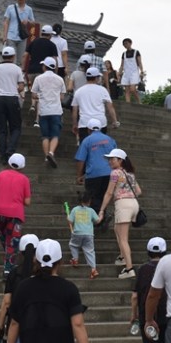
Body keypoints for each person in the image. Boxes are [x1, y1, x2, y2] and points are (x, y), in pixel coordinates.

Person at [5, 239, 93, 343]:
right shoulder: (68, 288)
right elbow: (78, 324)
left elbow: (15, 322)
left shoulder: (24, 287)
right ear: (59, 262)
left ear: (35, 261)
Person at [132, 237, 169, 343]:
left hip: (147, 317)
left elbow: (134, 296)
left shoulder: (142, 270)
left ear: (148, 252)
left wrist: (134, 315)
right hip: (167, 315)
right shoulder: (168, 267)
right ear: (164, 252)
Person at [0, 153, 32, 279]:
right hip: (14, 214)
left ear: (10, 163)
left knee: (4, 234)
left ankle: (9, 253)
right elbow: (27, 202)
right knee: (12, 241)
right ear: (22, 166)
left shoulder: (0, 175)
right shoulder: (24, 179)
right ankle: (8, 270)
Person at [0, 233, 39, 343]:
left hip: (18, 323)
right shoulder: (42, 273)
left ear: (20, 252)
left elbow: (7, 302)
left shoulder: (14, 273)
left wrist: (1, 326)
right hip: (39, 323)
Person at [97, 148, 142, 279]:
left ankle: (129, 268)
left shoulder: (115, 173)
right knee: (117, 228)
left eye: (112, 159)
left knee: (123, 239)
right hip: (134, 204)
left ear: (120, 160)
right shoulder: (130, 174)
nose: (110, 161)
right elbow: (138, 191)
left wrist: (101, 210)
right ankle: (123, 256)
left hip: (123, 205)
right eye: (109, 159)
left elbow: (109, 192)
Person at [74, 118, 118, 218]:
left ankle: (97, 220)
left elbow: (81, 159)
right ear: (101, 128)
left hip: (93, 174)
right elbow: (117, 157)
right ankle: (102, 216)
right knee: (105, 196)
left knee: (94, 198)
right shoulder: (110, 140)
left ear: (89, 129)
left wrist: (79, 176)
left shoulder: (87, 140)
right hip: (109, 174)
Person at [0, 46, 26, 163]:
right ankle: (10, 151)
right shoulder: (17, 69)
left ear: (2, 56)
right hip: (13, 99)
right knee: (16, 128)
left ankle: (3, 155)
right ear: (13, 56)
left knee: (2, 129)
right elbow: (21, 87)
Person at [31, 56, 66, 168]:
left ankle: (47, 157)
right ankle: (51, 153)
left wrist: (40, 95)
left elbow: (33, 94)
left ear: (45, 66)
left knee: (45, 136)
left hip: (43, 110)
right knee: (55, 135)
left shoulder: (39, 78)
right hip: (56, 110)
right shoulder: (60, 79)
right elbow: (61, 97)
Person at [72, 66, 119, 142]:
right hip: (100, 123)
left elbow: (74, 110)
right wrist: (114, 121)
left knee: (85, 146)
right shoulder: (102, 90)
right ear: (96, 78)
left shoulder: (79, 91)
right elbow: (110, 107)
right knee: (99, 146)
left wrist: (74, 124)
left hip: (84, 123)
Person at [67, 191, 100, 279]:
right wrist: (101, 215)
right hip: (89, 234)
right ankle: (93, 269)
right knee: (89, 251)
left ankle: (75, 259)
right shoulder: (91, 210)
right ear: (89, 201)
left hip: (77, 233)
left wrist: (68, 218)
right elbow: (97, 221)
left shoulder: (74, 209)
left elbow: (70, 221)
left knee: (73, 245)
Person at [2, 0, 35, 65]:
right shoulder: (10, 8)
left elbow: (33, 23)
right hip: (11, 36)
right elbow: (6, 22)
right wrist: (4, 36)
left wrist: (28, 22)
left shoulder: (29, 9)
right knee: (10, 58)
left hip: (22, 37)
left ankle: (18, 74)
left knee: (20, 60)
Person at [118, 38, 144, 103]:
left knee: (132, 89)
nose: (125, 45)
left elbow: (140, 62)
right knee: (127, 91)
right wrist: (119, 73)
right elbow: (122, 65)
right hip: (126, 73)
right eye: (124, 44)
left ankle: (139, 102)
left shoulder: (136, 52)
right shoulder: (124, 54)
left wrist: (142, 71)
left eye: (126, 43)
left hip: (134, 72)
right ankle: (128, 104)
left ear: (130, 43)